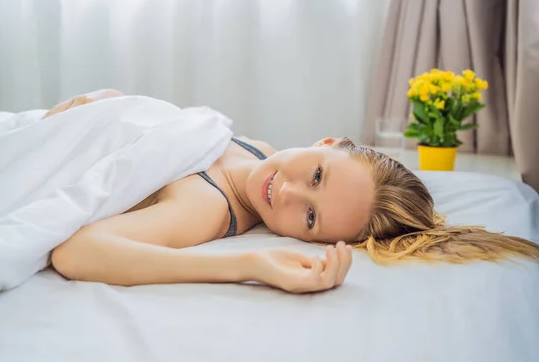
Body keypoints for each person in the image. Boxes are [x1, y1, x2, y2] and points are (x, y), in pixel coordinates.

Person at [48, 89, 539, 294]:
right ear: (326, 141)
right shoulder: (253, 149)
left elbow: (75, 251)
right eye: (319, 175)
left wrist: (249, 264)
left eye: (309, 218)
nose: (288, 194)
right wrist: (111, 101)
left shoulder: (208, 207)